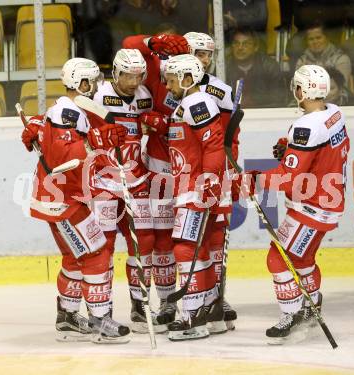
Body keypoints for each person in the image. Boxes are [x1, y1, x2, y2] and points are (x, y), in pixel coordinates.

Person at [20, 57, 130, 344]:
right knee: (96, 252)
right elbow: (62, 158)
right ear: (81, 83)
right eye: (92, 82)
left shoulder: (68, 110)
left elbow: (53, 136)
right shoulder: (67, 113)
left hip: (62, 197)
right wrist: (97, 141)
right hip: (63, 200)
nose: (96, 87)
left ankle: (68, 317)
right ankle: (100, 318)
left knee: (74, 256)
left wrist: (35, 125)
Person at [249, 65, 350, 343]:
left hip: (311, 206)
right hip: (329, 201)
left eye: (296, 86)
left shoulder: (306, 126)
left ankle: (292, 314)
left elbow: (287, 178)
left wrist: (255, 179)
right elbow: (328, 152)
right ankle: (311, 305)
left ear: (302, 90)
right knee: (302, 260)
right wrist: (292, 151)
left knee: (278, 257)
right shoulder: (334, 113)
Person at [91, 48, 172, 333]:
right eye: (128, 75)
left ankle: (139, 305)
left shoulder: (144, 97)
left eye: (139, 75)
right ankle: (103, 311)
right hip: (103, 181)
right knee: (104, 246)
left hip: (135, 178)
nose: (134, 81)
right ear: (115, 72)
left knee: (144, 240)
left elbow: (151, 127)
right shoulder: (97, 95)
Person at [123, 33, 189, 325]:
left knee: (166, 243)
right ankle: (139, 303)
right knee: (146, 240)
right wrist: (153, 41)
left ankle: (167, 303)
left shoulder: (198, 89)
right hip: (152, 170)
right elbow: (128, 45)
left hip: (181, 174)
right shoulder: (155, 79)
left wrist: (165, 124)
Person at [163, 54, 228, 341]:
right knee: (199, 249)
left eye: (171, 80)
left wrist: (210, 181)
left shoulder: (196, 103)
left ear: (187, 79)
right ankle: (210, 310)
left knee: (187, 249)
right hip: (191, 187)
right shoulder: (187, 104)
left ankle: (192, 315)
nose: (167, 86)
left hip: (197, 189)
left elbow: (213, 146)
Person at [183, 31, 238, 331]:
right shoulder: (172, 82)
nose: (204, 59)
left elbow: (230, 138)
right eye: (198, 53)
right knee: (182, 241)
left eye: (208, 54)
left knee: (215, 237)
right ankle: (182, 299)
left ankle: (216, 297)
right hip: (176, 173)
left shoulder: (221, 90)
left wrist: (229, 169)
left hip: (213, 172)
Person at [226, 27, 286, 108]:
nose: (240, 48)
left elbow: (280, 97)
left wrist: (253, 100)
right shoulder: (224, 67)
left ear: (255, 47)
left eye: (246, 43)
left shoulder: (269, 66)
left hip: (263, 115)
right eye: (236, 43)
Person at [295, 23, 352, 87]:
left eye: (318, 38)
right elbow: (298, 86)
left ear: (327, 38)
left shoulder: (341, 59)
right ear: (307, 42)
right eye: (311, 39)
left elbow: (338, 88)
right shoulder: (302, 60)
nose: (315, 42)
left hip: (335, 96)